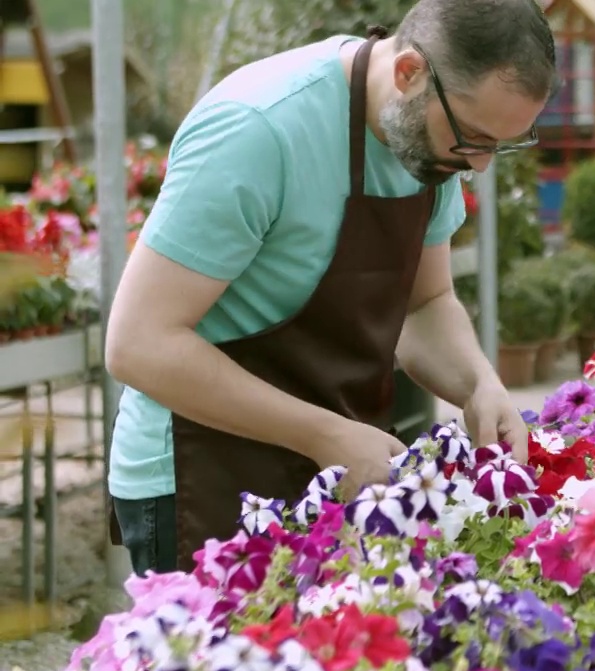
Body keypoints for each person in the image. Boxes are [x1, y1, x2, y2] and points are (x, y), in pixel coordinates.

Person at [102, 0, 558, 574]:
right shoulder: (259, 127)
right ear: (408, 73)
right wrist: (328, 435)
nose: (481, 165)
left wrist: (478, 385)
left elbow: (426, 304)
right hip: (202, 472)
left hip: (335, 468)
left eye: (500, 145)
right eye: (473, 138)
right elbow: (139, 344)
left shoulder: (427, 142)